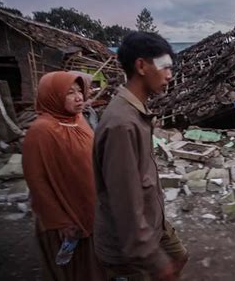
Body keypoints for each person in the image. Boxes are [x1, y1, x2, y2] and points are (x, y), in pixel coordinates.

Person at [93, 32, 188, 281]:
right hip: (130, 248)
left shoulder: (136, 113)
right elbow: (124, 201)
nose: (170, 75)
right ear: (141, 66)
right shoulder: (122, 124)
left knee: (179, 257)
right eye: (165, 66)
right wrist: (152, 257)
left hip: (153, 225)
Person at [22, 71, 106, 280]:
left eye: (80, 91)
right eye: (70, 93)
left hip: (89, 208)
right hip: (66, 217)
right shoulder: (41, 131)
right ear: (53, 95)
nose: (79, 98)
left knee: (92, 264)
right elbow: (38, 183)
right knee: (73, 270)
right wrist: (60, 221)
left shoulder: (78, 120)